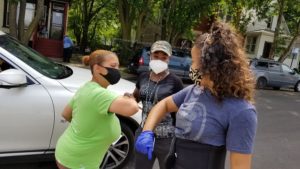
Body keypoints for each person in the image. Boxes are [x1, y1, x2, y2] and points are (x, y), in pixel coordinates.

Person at [135, 21, 258, 169]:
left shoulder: (241, 111)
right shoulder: (194, 90)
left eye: (194, 61)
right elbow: (164, 105)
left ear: (212, 65)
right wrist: (147, 131)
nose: (191, 67)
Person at [55, 50, 139, 169]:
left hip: (68, 153)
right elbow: (132, 108)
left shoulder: (87, 88)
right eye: (113, 66)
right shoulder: (99, 94)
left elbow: (66, 114)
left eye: (118, 66)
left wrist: (87, 128)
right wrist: (129, 97)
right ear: (97, 68)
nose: (117, 71)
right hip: (79, 161)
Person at [127, 40, 184, 169]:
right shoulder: (143, 77)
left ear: (169, 59)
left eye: (164, 58)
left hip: (166, 138)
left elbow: (181, 110)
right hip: (143, 133)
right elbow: (136, 97)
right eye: (156, 56)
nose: (160, 60)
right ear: (150, 56)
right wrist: (129, 98)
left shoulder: (175, 82)